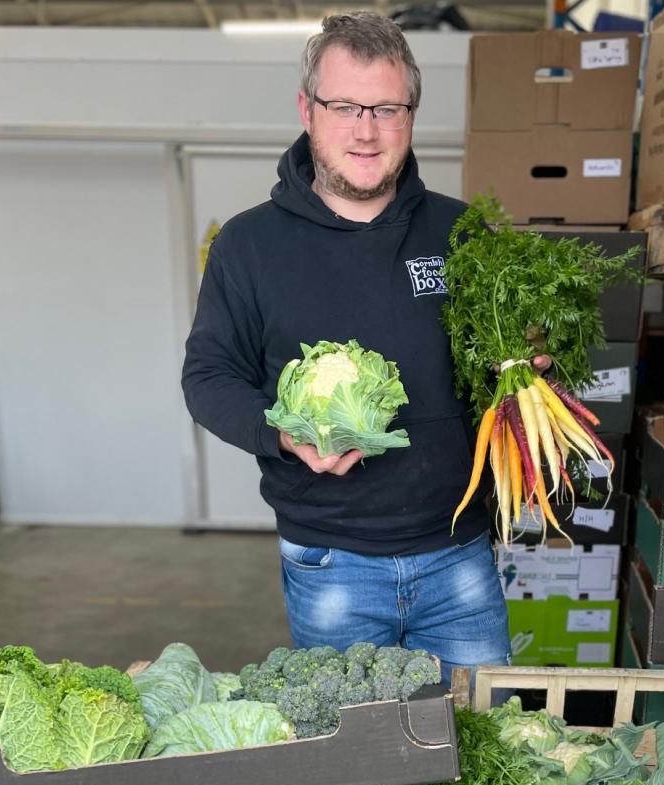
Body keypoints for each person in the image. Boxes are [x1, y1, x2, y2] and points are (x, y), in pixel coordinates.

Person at [183, 12, 542, 686]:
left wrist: (525, 372)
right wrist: (284, 435)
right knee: (358, 771)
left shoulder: (462, 232)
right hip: (331, 562)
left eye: (386, 108)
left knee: (482, 752)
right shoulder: (249, 245)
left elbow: (498, 369)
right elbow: (208, 376)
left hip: (458, 552)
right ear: (307, 110)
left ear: (411, 115)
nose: (366, 130)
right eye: (345, 105)